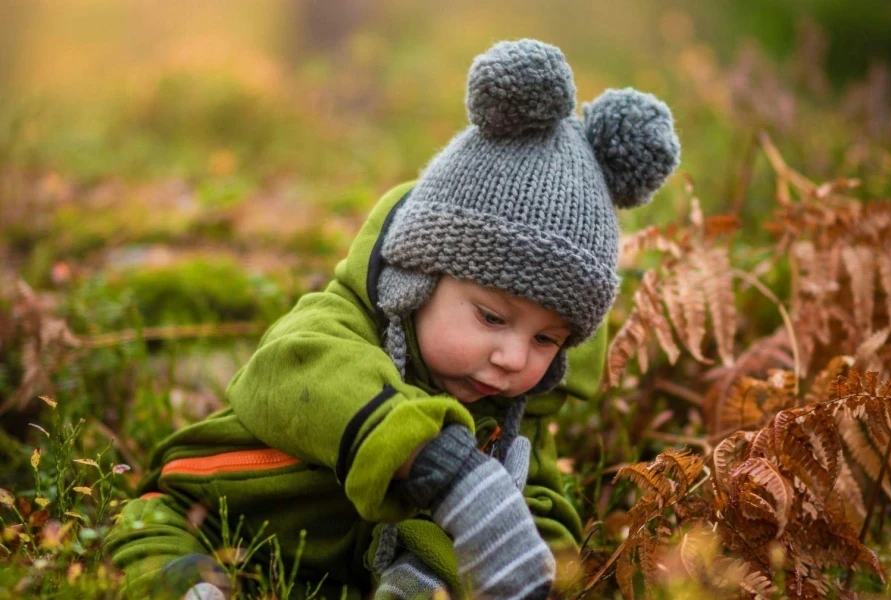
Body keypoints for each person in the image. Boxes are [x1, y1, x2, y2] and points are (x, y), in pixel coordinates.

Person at [107, 38, 680, 599]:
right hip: (210, 509)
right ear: (418, 279)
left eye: (546, 339)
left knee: (458, 555)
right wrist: (439, 463)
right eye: (490, 318)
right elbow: (288, 374)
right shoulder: (338, 325)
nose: (512, 357)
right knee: (158, 543)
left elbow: (539, 511)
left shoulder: (510, 418)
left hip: (330, 573)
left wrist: (518, 564)